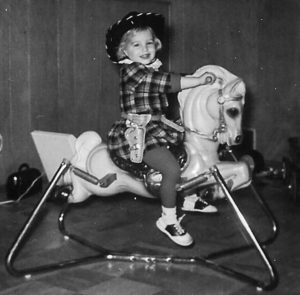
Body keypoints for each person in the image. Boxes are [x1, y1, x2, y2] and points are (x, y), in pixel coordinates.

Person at [105, 11, 217, 247]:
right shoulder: (133, 72)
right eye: (136, 44)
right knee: (171, 168)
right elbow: (166, 83)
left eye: (149, 43)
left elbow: (165, 80)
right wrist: (197, 80)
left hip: (156, 126)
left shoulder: (149, 68)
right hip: (139, 133)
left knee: (186, 155)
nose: (145, 49)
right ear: (125, 51)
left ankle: (188, 198)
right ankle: (167, 219)